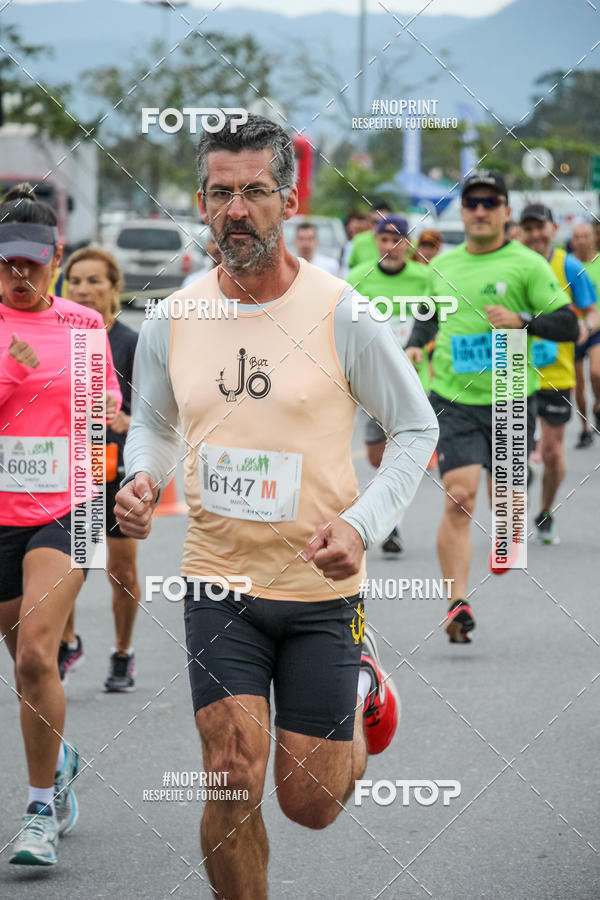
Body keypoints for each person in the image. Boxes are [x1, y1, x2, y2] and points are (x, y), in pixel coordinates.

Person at [115, 113, 438, 899]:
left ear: (287, 201)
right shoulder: (175, 317)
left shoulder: (342, 312)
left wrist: (362, 527)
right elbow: (156, 426)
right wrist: (141, 479)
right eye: (222, 193)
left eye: (255, 191)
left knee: (312, 803)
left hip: (320, 590)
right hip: (217, 582)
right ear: (199, 202)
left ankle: (362, 692)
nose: (237, 210)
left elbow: (415, 427)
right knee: (229, 775)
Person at [0, 184, 121, 866]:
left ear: (56, 256)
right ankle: (62, 755)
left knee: (35, 654)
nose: (20, 276)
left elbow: (104, 404)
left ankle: (40, 810)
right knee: (24, 669)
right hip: (1, 510)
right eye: (6, 264)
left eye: (33, 263)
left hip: (70, 505)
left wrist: (104, 404)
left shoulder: (83, 326)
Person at [405, 170, 578, 643]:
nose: (480, 210)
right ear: (463, 211)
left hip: (509, 395)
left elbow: (568, 325)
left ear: (505, 212)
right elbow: (428, 315)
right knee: (459, 497)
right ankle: (456, 602)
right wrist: (416, 345)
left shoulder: (527, 265)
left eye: (490, 202)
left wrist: (522, 321)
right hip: (455, 399)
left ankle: (511, 531)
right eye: (472, 203)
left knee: (508, 505)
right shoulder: (445, 265)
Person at [57, 247, 140, 691]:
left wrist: (126, 420)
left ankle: (123, 653)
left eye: (94, 281)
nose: (83, 290)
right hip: (67, 471)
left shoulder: (129, 342)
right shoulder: (56, 337)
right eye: (75, 282)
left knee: (121, 571)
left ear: (114, 288)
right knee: (62, 563)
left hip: (116, 469)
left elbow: (156, 415)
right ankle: (67, 641)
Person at [348, 214, 433, 555]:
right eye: (385, 240)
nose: (391, 247)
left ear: (408, 244)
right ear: (376, 241)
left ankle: (392, 526)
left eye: (398, 240)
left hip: (415, 377)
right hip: (372, 380)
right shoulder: (358, 278)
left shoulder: (425, 278)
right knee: (375, 455)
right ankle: (389, 515)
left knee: (402, 447)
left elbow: (438, 320)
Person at [519, 204, 599, 543]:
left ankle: (545, 511)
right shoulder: (512, 263)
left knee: (552, 452)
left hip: (556, 372)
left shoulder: (568, 265)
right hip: (515, 371)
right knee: (512, 453)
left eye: (542, 228)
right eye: (530, 228)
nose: (536, 235)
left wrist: (584, 327)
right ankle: (512, 518)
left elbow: (592, 311)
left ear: (553, 229)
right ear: (522, 232)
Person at [570, 222, 600, 446]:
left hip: (596, 328)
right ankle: (584, 428)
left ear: (593, 238)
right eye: (577, 236)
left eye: (585, 236)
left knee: (597, 373)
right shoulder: (568, 265)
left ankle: (598, 405)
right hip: (572, 331)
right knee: (578, 385)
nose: (581, 240)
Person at [346, 201, 392, 269]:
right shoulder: (357, 242)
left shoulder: (402, 243)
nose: (379, 226)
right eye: (376, 222)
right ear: (370, 222)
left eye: (384, 222)